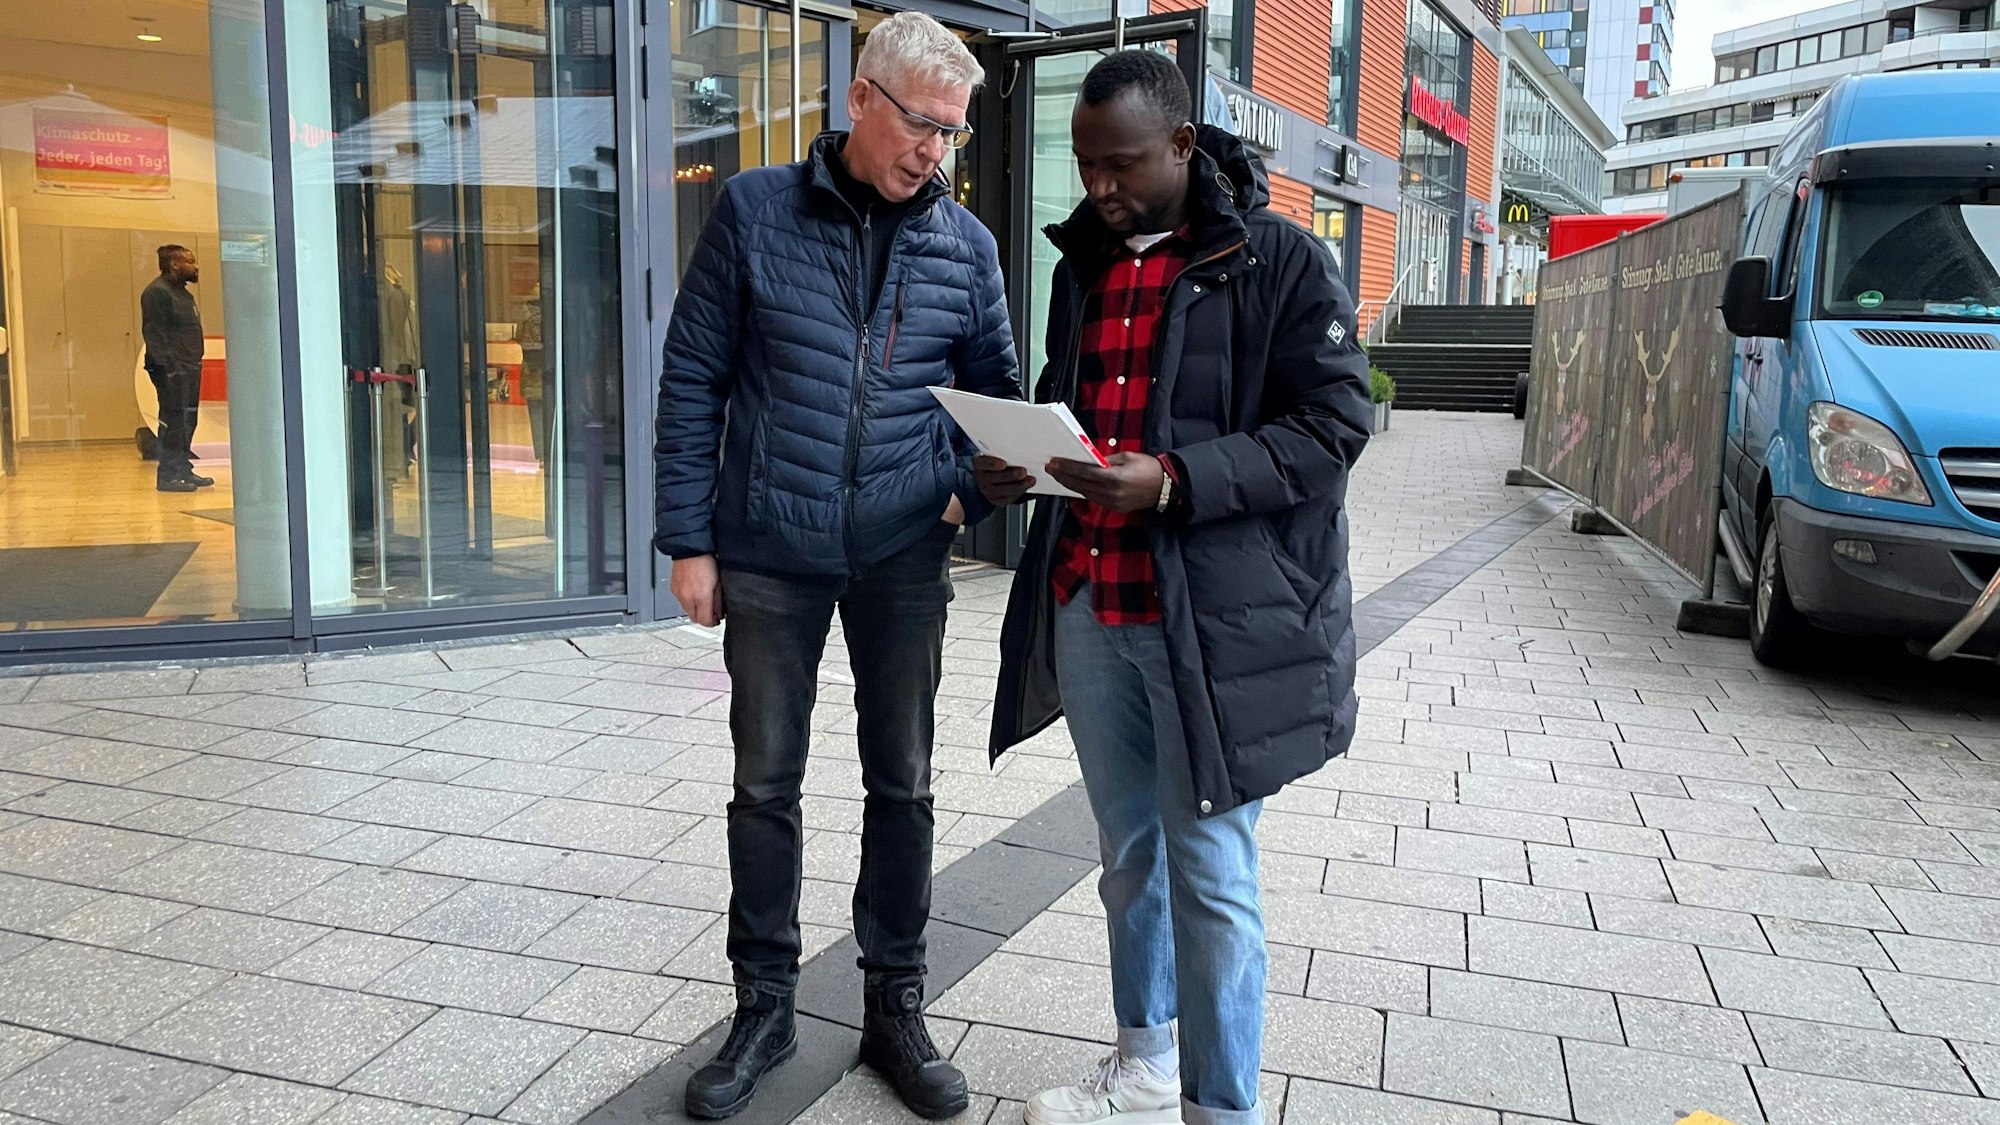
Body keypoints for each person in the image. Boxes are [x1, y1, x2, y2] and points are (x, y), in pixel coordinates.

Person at [981, 51, 1373, 1125]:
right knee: (1126, 857)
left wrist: (1173, 479)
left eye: (1121, 165)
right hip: (1089, 601)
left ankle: (1222, 1108)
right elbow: (1067, 402)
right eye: (1084, 165)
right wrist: (1021, 462)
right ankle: (1146, 1064)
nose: (1099, 186)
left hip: (1211, 622)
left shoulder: (1279, 261)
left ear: (1184, 145)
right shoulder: (1082, 266)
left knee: (1212, 873)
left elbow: (1333, 428)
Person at [653, 11, 1021, 1120]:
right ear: (860, 98)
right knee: (764, 785)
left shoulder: (966, 246)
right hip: (770, 547)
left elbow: (995, 406)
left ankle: (893, 1007)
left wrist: (958, 493)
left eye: (952, 132)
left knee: (901, 783)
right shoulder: (753, 209)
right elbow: (693, 379)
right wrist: (689, 541)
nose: (934, 150)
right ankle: (763, 1008)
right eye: (920, 123)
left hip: (904, 555)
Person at [141, 245, 211, 493]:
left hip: (189, 366)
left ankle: (182, 469)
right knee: (173, 421)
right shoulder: (157, 292)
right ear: (174, 265)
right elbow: (154, 334)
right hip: (172, 369)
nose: (196, 266)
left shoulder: (183, 294)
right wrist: (169, 369)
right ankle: (168, 475)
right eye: (190, 262)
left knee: (187, 420)